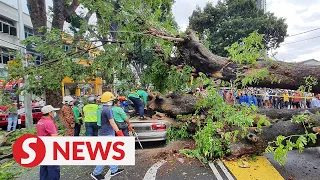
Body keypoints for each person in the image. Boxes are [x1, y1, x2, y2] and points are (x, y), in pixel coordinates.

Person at [91, 92, 124, 180]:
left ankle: (114, 170)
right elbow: (112, 122)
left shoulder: (100, 108)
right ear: (109, 101)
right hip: (107, 134)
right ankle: (96, 173)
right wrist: (119, 132)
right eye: (112, 100)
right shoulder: (108, 109)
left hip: (103, 133)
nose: (113, 101)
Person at [36, 105, 60, 180]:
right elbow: (54, 136)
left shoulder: (40, 121)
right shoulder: (49, 123)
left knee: (44, 167)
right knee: (53, 167)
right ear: (50, 113)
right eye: (53, 111)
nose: (54, 113)